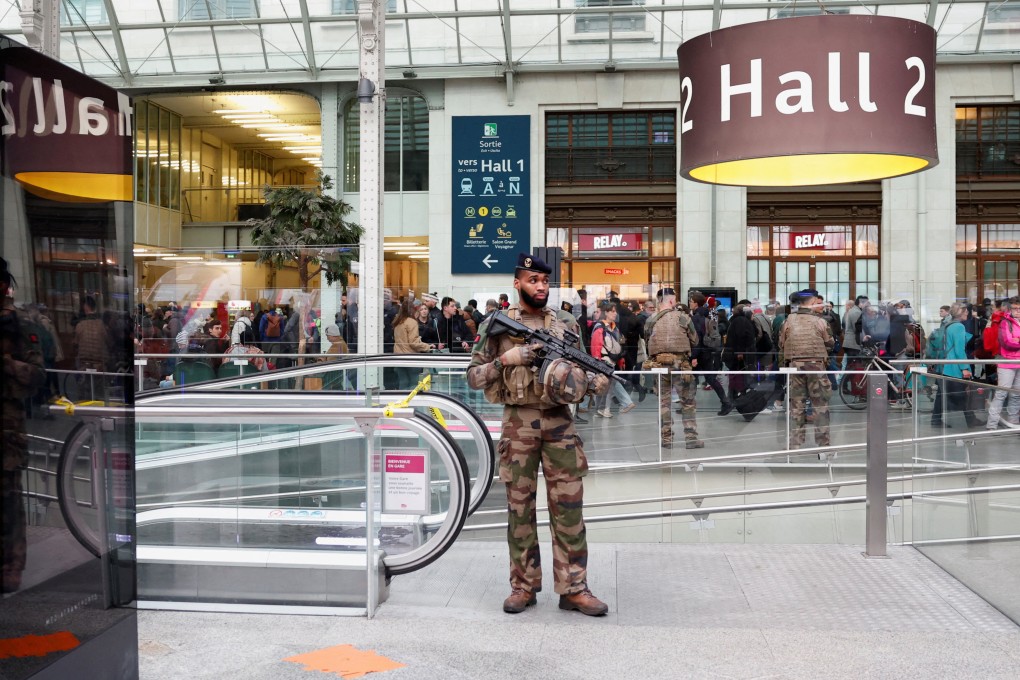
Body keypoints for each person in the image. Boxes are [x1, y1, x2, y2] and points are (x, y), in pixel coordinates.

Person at [467, 253, 609, 617]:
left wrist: (593, 382)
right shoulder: (497, 325)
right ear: (517, 283)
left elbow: (578, 369)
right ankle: (523, 586)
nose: (541, 287)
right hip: (518, 423)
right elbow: (473, 377)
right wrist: (506, 361)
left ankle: (573, 588)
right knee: (519, 509)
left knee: (569, 510)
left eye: (545, 281)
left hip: (560, 422)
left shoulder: (565, 323)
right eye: (533, 280)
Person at [1, 262, 45, 592]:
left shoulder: (18, 325)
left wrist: (7, 365)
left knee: (9, 503)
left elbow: (38, 375)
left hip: (7, 428)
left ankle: (11, 566)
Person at [643, 287, 702, 449]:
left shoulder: (651, 319)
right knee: (688, 401)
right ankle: (690, 438)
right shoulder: (683, 318)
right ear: (671, 301)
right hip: (680, 365)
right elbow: (695, 340)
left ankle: (666, 439)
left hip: (659, 366)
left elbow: (647, 338)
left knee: (664, 403)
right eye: (675, 299)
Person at [778, 289, 834, 451]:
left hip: (794, 367)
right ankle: (823, 444)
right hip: (816, 366)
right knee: (820, 405)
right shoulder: (820, 321)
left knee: (796, 406)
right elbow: (830, 342)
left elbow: (782, 343)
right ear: (812, 302)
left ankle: (794, 443)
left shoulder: (788, 321)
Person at [931, 302, 977, 428]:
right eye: (966, 311)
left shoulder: (948, 325)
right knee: (963, 394)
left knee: (941, 394)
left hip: (946, 364)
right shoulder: (959, 327)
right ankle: (971, 420)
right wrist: (965, 368)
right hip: (954, 366)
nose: (968, 313)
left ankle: (936, 420)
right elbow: (959, 350)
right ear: (960, 313)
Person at [689, 291, 733, 415]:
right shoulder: (708, 316)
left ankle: (689, 406)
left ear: (696, 304)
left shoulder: (695, 318)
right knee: (710, 378)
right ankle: (726, 402)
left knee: (693, 379)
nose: (690, 304)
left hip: (699, 353)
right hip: (707, 352)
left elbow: (696, 339)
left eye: (691, 302)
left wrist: (694, 356)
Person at [590, 301, 634, 418]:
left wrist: (620, 360)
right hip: (604, 361)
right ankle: (605, 409)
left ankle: (601, 409)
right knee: (607, 386)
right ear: (606, 313)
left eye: (615, 311)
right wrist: (597, 361)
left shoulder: (614, 328)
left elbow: (618, 347)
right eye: (612, 311)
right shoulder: (600, 327)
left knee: (606, 385)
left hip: (611, 361)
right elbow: (596, 346)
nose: (615, 314)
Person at [986, 296, 1020, 430]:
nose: (1018, 311)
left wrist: (1017, 340)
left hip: (1018, 361)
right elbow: (1007, 342)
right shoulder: (1005, 322)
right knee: (1001, 393)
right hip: (1007, 362)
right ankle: (991, 424)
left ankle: (1014, 423)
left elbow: (1013, 341)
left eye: (1019, 308)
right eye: (1015, 308)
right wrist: (1015, 340)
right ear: (1010, 309)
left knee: (1016, 395)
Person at [393, 298, 433, 388]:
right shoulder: (412, 322)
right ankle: (413, 402)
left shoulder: (398, 321)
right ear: (413, 309)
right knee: (414, 384)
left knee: (403, 382)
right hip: (410, 357)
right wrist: (427, 347)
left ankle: (402, 401)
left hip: (398, 356)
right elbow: (413, 342)